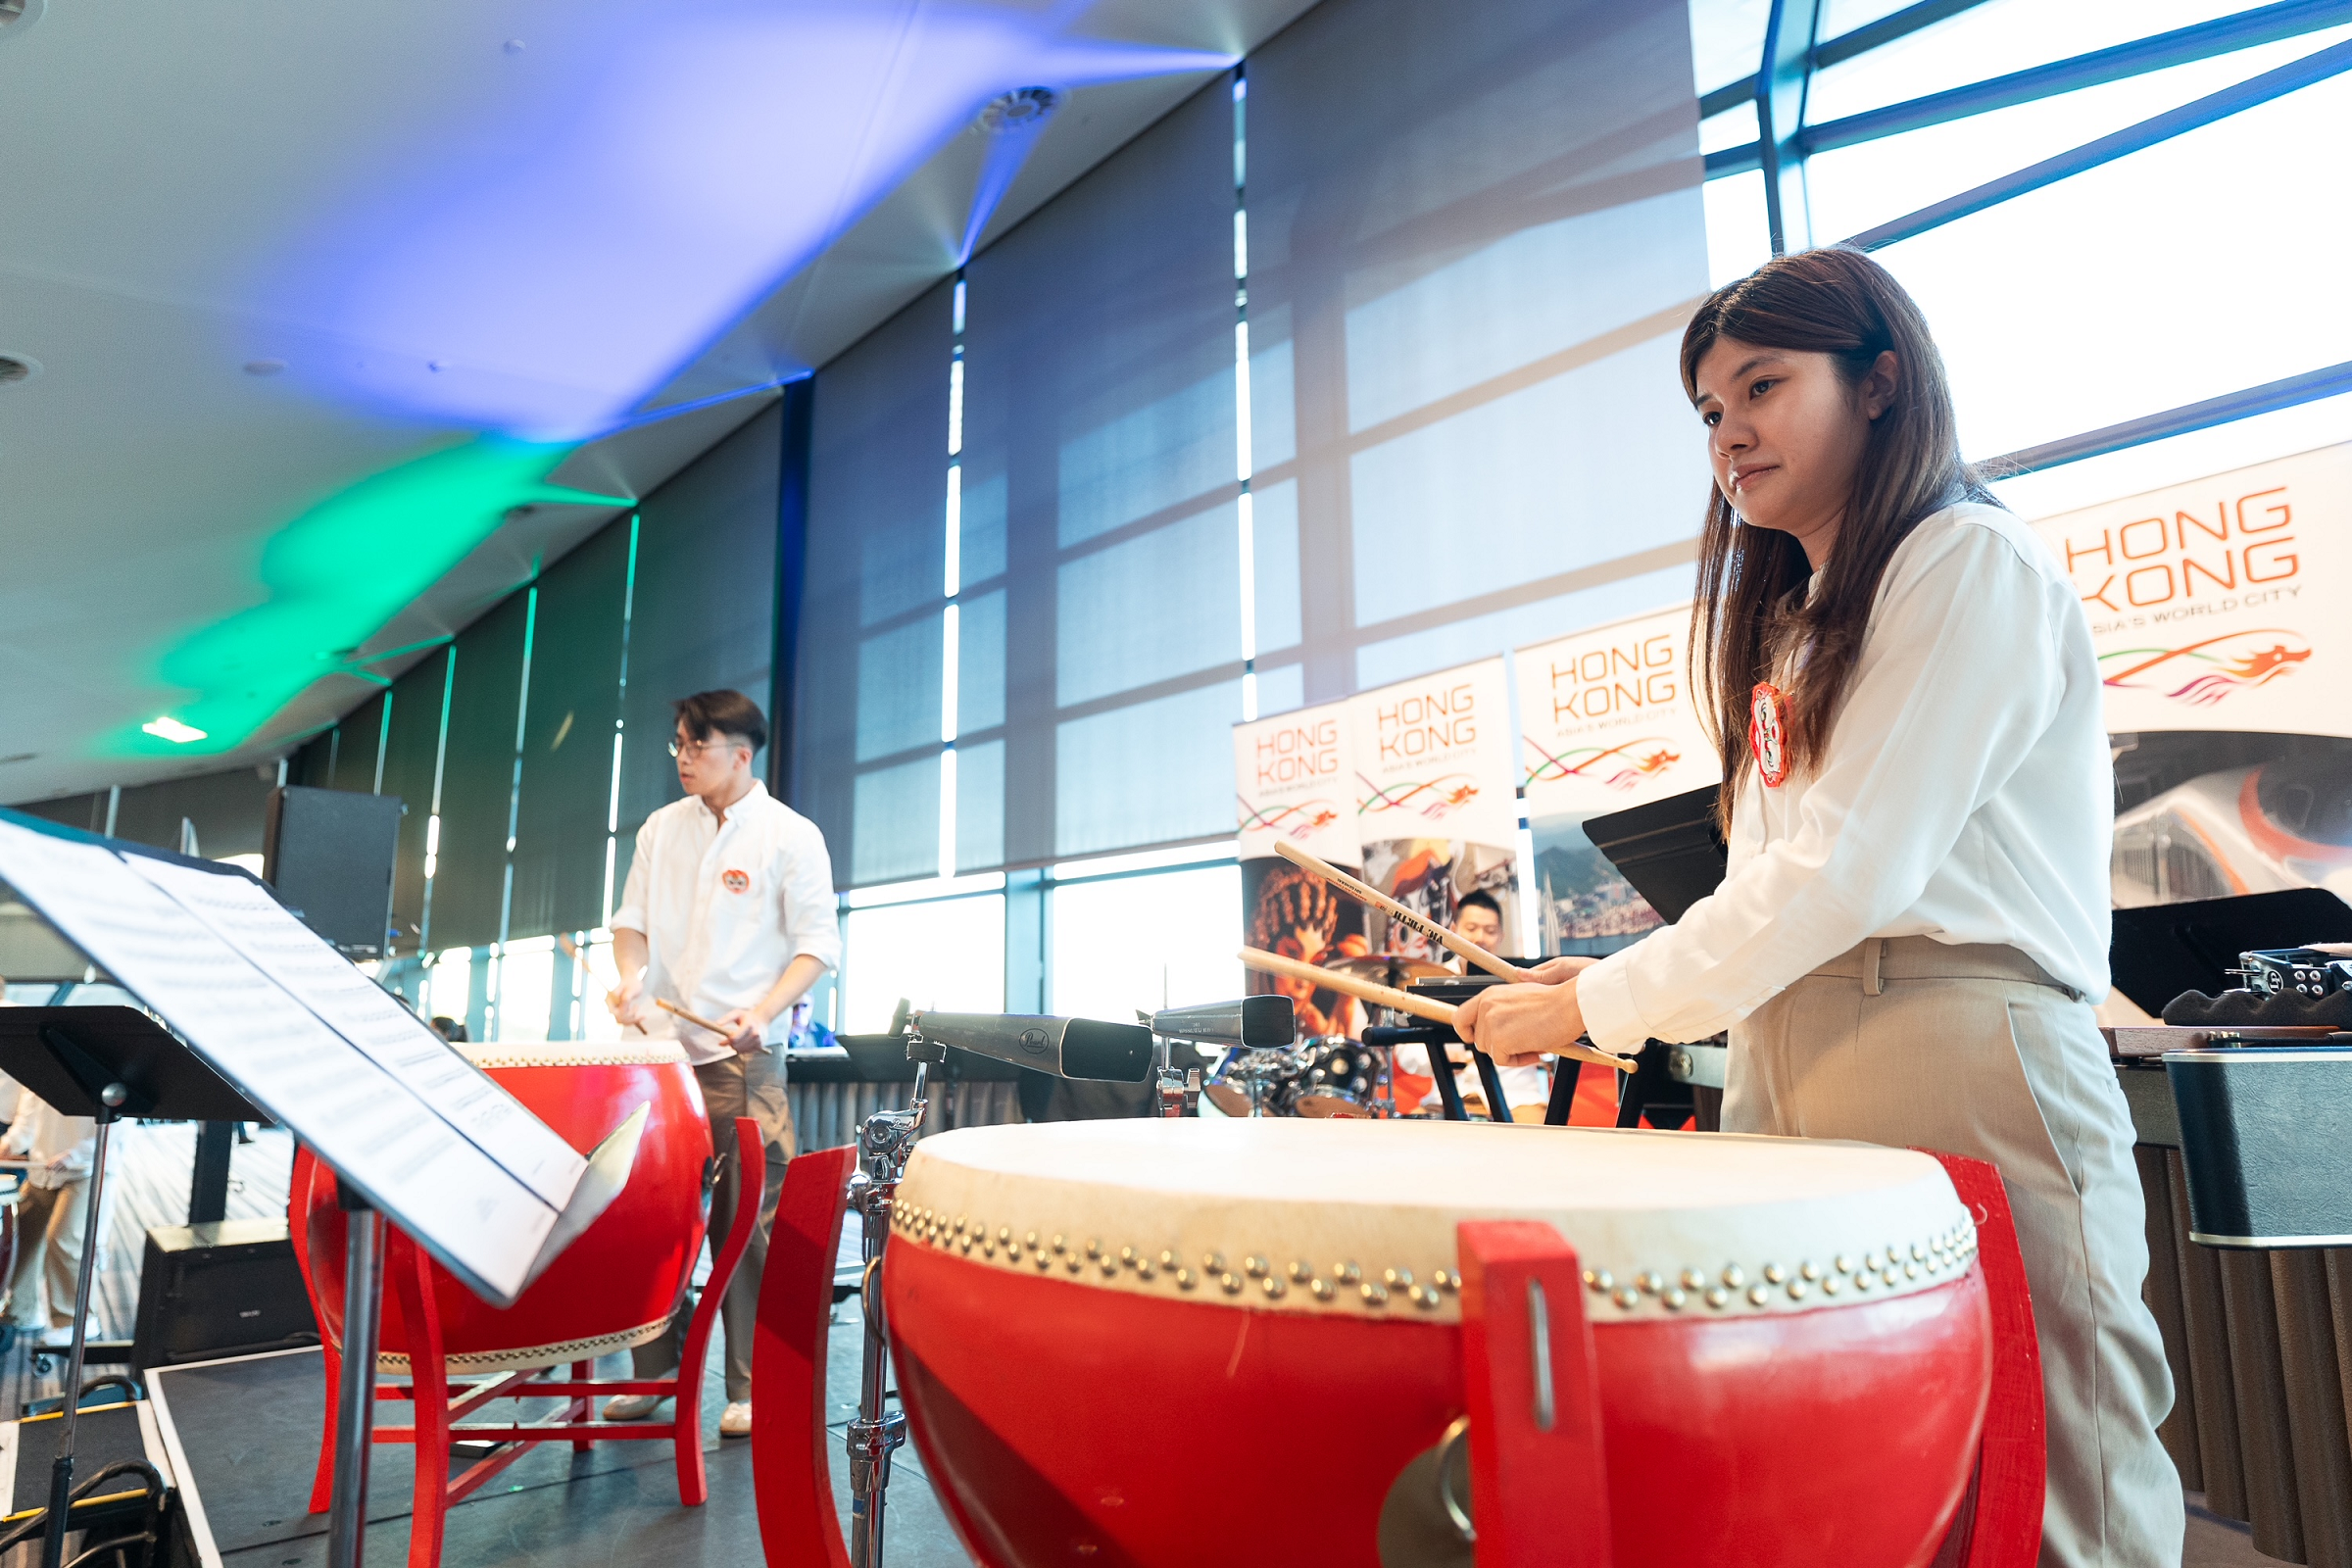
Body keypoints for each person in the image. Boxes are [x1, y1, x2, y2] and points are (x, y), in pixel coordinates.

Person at [1456, 248, 2180, 1567]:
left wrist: (1596, 1005)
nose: (1730, 433)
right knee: (1857, 1453)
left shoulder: (1963, 560)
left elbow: (1857, 872)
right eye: (1709, 411)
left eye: (1764, 386)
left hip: (1957, 1041)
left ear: (1882, 384)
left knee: (2057, 1451)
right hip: (1789, 1044)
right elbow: (1776, 879)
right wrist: (1603, 992)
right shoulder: (1794, 621)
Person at [600, 690, 840, 1439]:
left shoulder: (790, 836)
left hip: (742, 1061)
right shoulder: (659, 829)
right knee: (648, 1219)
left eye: (695, 746)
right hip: (657, 1060)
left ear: (741, 752)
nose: (681, 757)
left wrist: (762, 1014)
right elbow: (631, 926)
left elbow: (816, 947)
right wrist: (634, 982)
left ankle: (749, 1384)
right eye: (676, 743)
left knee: (747, 1225)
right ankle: (654, 1374)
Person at [3, 1090, 97, 1348]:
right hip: (43, 1168)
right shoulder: (37, 1071)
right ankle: (24, 1311)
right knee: (19, 1233)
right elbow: (27, 1121)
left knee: (64, 1239)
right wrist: (9, 1145)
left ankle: (78, 1320)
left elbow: (114, 1131)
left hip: (86, 1169)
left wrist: (73, 1155)